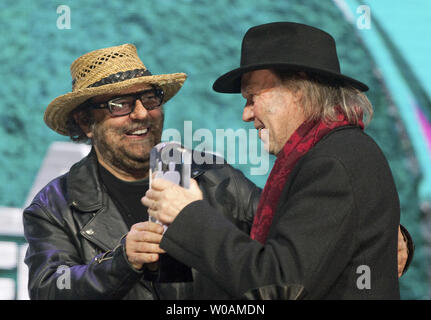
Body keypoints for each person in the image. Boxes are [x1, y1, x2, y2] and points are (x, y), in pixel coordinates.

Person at [24, 41, 411, 300]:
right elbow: (47, 289)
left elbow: (293, 235)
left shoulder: (211, 174)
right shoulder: (54, 204)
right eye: (119, 105)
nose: (141, 113)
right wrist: (120, 260)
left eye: (149, 98)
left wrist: (373, 233)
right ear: (86, 123)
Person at [143, 22, 412, 299]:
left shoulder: (331, 163)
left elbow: (278, 286)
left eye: (252, 97)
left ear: (298, 89)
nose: (246, 114)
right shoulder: (335, 152)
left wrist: (188, 215)